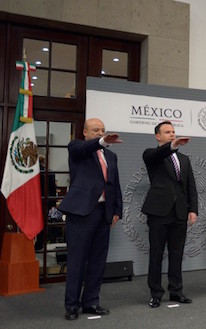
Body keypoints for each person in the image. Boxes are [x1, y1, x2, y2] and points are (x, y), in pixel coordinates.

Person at [58, 118, 122, 320]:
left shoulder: (111, 156)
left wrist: (117, 210)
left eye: (103, 129)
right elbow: (83, 149)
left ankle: (91, 302)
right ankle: (72, 306)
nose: (100, 132)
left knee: (97, 262)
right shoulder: (76, 148)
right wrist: (101, 141)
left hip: (103, 213)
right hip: (81, 213)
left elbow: (114, 184)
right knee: (77, 262)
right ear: (84, 132)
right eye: (95, 130)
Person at [141, 121, 198, 308]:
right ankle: (156, 293)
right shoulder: (151, 154)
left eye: (173, 132)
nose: (172, 134)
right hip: (158, 212)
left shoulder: (184, 159)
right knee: (156, 254)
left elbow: (191, 186)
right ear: (158, 136)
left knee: (177, 254)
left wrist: (193, 209)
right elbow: (159, 154)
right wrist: (171, 147)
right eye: (167, 132)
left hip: (180, 212)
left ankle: (176, 291)